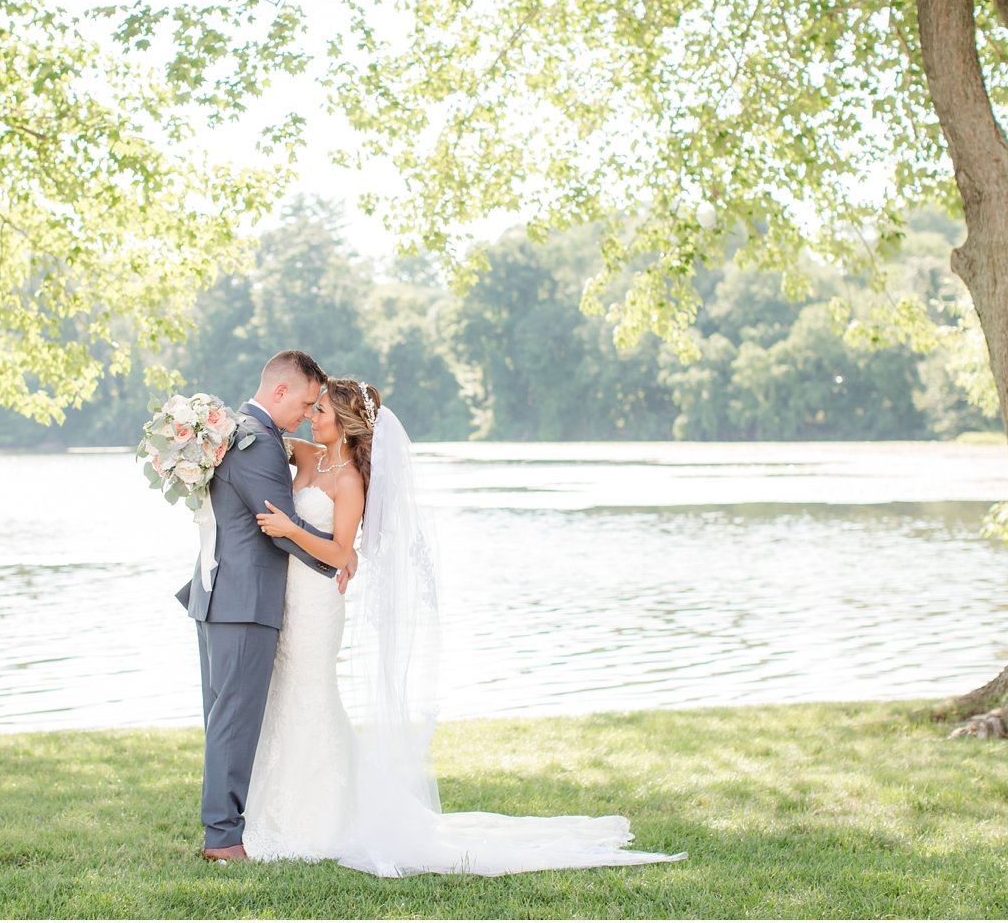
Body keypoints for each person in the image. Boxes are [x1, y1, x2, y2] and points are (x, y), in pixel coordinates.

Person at [247, 376, 687, 876]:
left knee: (312, 693)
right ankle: (277, 809)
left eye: (321, 410)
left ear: (345, 424)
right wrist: (205, 432)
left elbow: (342, 553)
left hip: (319, 602)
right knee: (288, 694)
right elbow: (261, 435)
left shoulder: (348, 481)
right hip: (290, 598)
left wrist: (290, 528)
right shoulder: (308, 456)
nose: (311, 415)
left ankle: (319, 821)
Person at [174, 350, 340, 863]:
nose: (307, 417)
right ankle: (223, 839)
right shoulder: (256, 442)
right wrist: (338, 558)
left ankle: (223, 828)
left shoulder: (236, 431)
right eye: (306, 403)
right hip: (244, 602)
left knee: (225, 716)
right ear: (281, 391)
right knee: (235, 720)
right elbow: (281, 524)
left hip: (219, 593)